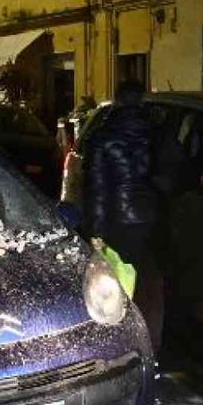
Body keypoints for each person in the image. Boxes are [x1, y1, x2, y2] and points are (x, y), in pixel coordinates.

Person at [85, 80, 164, 353]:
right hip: (149, 217)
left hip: (118, 220)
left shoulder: (104, 136)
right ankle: (150, 346)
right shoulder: (155, 132)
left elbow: (97, 187)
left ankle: (121, 341)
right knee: (148, 284)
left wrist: (95, 231)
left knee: (115, 281)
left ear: (117, 102)